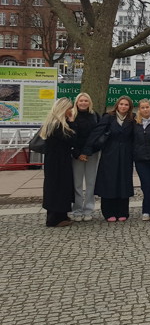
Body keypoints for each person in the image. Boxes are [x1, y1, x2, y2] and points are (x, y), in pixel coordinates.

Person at [89, 95, 135, 222]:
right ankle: (108, 211)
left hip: (126, 154)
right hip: (110, 153)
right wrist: (87, 150)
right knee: (109, 182)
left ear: (129, 107)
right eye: (121, 104)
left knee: (123, 182)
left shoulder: (133, 118)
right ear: (117, 105)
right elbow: (96, 133)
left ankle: (122, 211)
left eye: (126, 104)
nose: (123, 107)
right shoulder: (108, 117)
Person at [40, 98, 76, 227]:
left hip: (56, 159)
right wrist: (72, 122)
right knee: (58, 188)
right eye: (69, 108)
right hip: (58, 161)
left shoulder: (52, 123)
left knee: (58, 187)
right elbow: (71, 139)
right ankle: (55, 218)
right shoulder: (58, 125)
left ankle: (60, 215)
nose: (71, 111)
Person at [68, 92, 100, 221]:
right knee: (77, 183)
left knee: (91, 182)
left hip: (92, 153)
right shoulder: (71, 115)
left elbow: (97, 134)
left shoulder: (95, 116)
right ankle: (77, 209)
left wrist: (88, 151)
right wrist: (78, 153)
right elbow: (70, 135)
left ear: (89, 102)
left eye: (86, 101)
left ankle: (88, 209)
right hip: (76, 154)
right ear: (77, 102)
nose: (83, 103)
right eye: (81, 100)